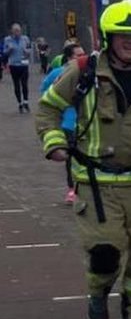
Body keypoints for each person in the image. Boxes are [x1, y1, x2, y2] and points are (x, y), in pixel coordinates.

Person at [35, 1, 131, 319]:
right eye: (122, 36)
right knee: (105, 253)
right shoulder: (82, 71)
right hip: (97, 185)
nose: (130, 42)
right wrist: (54, 143)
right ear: (109, 38)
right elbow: (48, 109)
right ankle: (99, 291)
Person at [40, 41, 87, 203]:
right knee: (71, 158)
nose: (83, 57)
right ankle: (72, 189)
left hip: (87, 123)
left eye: (83, 54)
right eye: (78, 55)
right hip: (67, 122)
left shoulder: (89, 73)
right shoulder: (57, 73)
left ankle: (88, 187)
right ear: (68, 58)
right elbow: (45, 93)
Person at [3, 23, 33, 112]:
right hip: (13, 64)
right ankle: (19, 103)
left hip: (23, 64)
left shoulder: (25, 39)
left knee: (24, 84)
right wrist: (9, 50)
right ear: (12, 31)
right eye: (15, 30)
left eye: (18, 30)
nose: (17, 32)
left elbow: (29, 49)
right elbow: (4, 52)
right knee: (16, 85)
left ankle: (26, 102)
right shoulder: (7, 40)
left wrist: (26, 51)